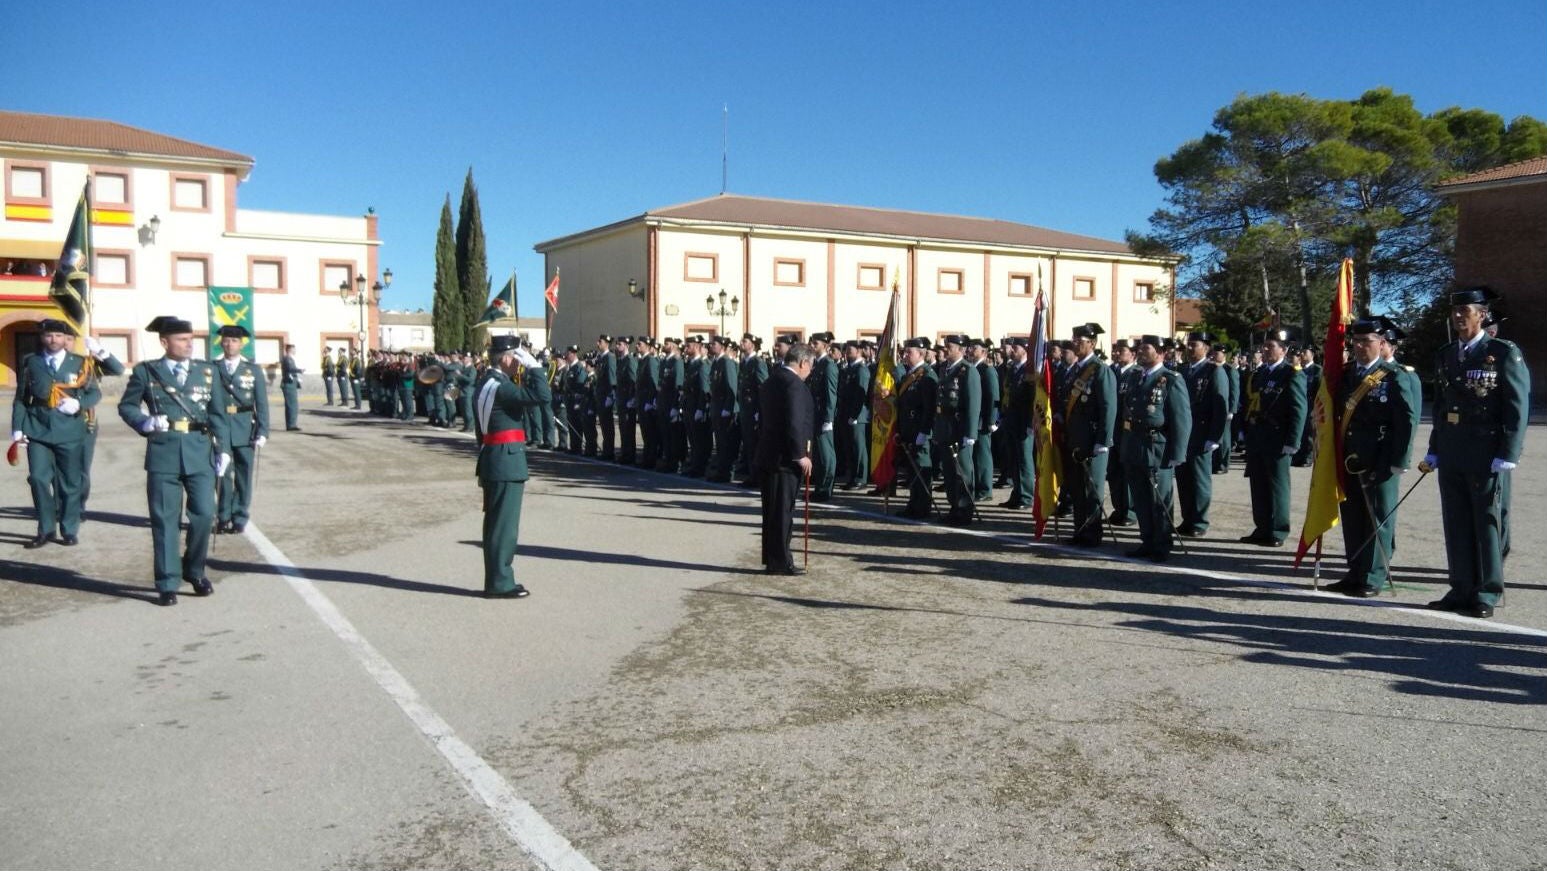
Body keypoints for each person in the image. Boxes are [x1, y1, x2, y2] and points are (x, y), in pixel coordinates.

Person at [1421, 286, 1529, 619]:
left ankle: (1487, 591)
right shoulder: (1446, 354)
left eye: (1464, 311)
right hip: (1453, 451)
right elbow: (1441, 407)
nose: (1457, 317)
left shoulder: (1502, 352)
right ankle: (1461, 587)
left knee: (1487, 523)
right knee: (1456, 522)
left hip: (1486, 452)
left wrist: (1508, 451)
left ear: (1481, 315)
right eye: (1454, 312)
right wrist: (1435, 448)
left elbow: (1516, 405)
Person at [118, 317, 232, 606]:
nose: (189, 343)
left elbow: (218, 414)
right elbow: (127, 405)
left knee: (205, 515)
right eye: (182, 339)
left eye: (191, 338)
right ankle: (167, 581)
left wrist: (224, 450)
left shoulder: (208, 372)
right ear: (164, 342)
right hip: (163, 453)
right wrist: (144, 422)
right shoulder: (147, 372)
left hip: (200, 451)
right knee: (165, 520)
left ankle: (193, 570)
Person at [1327, 319, 1417, 598]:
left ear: (1381, 343)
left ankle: (1373, 576)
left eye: (1367, 341)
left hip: (1380, 456)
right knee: (1353, 516)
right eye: (1356, 341)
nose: (1361, 346)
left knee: (1378, 517)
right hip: (1350, 456)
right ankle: (1354, 571)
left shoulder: (1393, 375)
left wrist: (1399, 459)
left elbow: (1407, 420)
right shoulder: (1344, 374)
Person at [10, 318, 100, 548]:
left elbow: (94, 394)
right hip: (38, 428)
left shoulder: (79, 363)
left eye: (58, 336)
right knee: (39, 479)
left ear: (65, 339)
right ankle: (46, 529)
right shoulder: (31, 362)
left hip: (69, 429)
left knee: (69, 482)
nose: (53, 340)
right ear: (42, 338)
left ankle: (69, 529)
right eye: (49, 335)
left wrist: (78, 404)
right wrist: (17, 429)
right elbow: (21, 398)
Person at [474, 335, 549, 599]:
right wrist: (535, 367)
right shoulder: (502, 388)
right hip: (506, 461)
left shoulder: (487, 382)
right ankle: (500, 583)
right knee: (504, 527)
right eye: (516, 358)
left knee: (496, 525)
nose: (518, 364)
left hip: (494, 458)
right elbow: (542, 395)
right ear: (506, 358)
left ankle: (497, 579)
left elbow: (479, 431)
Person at [1121, 335, 1191, 561]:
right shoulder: (1134, 377)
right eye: (1140, 348)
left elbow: (1181, 419)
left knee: (1159, 499)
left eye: (1146, 348)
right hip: (1135, 445)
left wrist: (1177, 454)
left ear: (1161, 352)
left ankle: (1161, 544)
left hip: (1156, 448)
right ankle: (1147, 540)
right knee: (1141, 497)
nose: (1140, 351)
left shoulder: (1170, 379)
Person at [753, 342, 816, 575]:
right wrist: (800, 454)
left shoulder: (773, 379)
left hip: (769, 454)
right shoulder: (794, 384)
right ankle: (780, 561)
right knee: (782, 512)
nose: (810, 372)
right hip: (784, 460)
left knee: (772, 511)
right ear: (803, 363)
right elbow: (794, 423)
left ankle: (773, 558)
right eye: (810, 367)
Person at [1240, 331, 1306, 547]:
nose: (1265, 350)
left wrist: (1293, 441)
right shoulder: (1259, 374)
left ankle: (1277, 530)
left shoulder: (1292, 374)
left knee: (1277, 487)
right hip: (1258, 436)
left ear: (1284, 350)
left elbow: (1298, 409)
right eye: (1264, 346)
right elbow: (1249, 404)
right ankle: (1262, 528)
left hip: (1277, 437)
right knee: (1258, 485)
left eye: (1270, 346)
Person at [1058, 324, 1117, 546]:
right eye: (1074, 339)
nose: (1075, 343)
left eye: (1079, 340)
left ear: (1091, 344)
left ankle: (1092, 533)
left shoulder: (1100, 370)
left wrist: (1103, 440)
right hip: (1074, 439)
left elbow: (1108, 408)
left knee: (1091, 489)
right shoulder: (1075, 369)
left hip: (1092, 441)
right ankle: (1080, 530)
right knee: (1076, 488)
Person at [213, 325, 270, 534]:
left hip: (245, 426)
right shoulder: (212, 367)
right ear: (221, 343)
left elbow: (261, 403)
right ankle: (223, 515)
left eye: (234, 341)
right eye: (227, 340)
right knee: (223, 474)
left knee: (243, 475)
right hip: (220, 426)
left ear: (241, 344)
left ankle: (240, 516)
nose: (230, 344)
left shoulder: (253, 370)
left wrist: (263, 431)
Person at [1176, 331, 1228, 538]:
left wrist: (1215, 437)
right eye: (1188, 345)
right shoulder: (1181, 370)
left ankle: (1199, 521)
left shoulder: (1213, 371)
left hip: (1201, 432)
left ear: (1206, 348)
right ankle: (1187, 518)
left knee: (1199, 479)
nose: (1189, 348)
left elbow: (1220, 405)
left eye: (1194, 345)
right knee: (1183, 478)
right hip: (1183, 434)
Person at [895, 337, 938, 519]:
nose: (905, 355)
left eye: (909, 352)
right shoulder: (909, 374)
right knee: (912, 470)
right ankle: (913, 504)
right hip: (908, 428)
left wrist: (924, 431)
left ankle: (922, 506)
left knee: (922, 468)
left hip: (919, 429)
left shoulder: (927, 376)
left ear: (920, 354)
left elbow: (929, 408)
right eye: (905, 352)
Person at [999, 338, 1035, 510]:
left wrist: (1030, 423)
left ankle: (1026, 496)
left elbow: (1034, 400)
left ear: (1025, 350)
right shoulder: (1013, 369)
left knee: (1024, 461)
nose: (1011, 350)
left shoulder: (1031, 371)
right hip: (1011, 420)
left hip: (1024, 422)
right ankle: (1017, 493)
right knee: (1013, 459)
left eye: (1015, 347)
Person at [1105, 340, 1138, 525]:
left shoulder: (1136, 374)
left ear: (1132, 354)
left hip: (1127, 431)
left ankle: (1130, 511)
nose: (1117, 353)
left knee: (1127, 472)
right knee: (1114, 472)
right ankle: (1119, 508)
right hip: (1113, 430)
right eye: (1115, 350)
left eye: (1122, 350)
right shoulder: (1112, 372)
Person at [706, 335, 740, 482]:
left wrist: (728, 407)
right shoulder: (716, 362)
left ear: (723, 346)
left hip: (724, 408)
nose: (711, 345)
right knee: (719, 442)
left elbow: (732, 386)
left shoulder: (726, 362)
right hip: (717, 407)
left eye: (715, 344)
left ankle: (726, 473)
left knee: (726, 443)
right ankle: (721, 470)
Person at [971, 339, 999, 502]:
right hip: (974, 419)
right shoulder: (973, 368)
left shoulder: (987, 370)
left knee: (983, 455)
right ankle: (978, 486)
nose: (971, 350)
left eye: (975, 348)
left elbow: (992, 397)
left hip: (983, 419)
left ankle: (985, 488)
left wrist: (991, 420)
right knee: (975, 455)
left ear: (984, 352)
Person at [280, 344, 302, 431]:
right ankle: (291, 425)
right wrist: (300, 370)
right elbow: (290, 368)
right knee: (292, 405)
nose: (295, 351)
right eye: (294, 349)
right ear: (290, 350)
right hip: (288, 384)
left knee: (292, 404)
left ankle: (291, 424)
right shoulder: (287, 359)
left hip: (291, 383)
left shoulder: (290, 359)